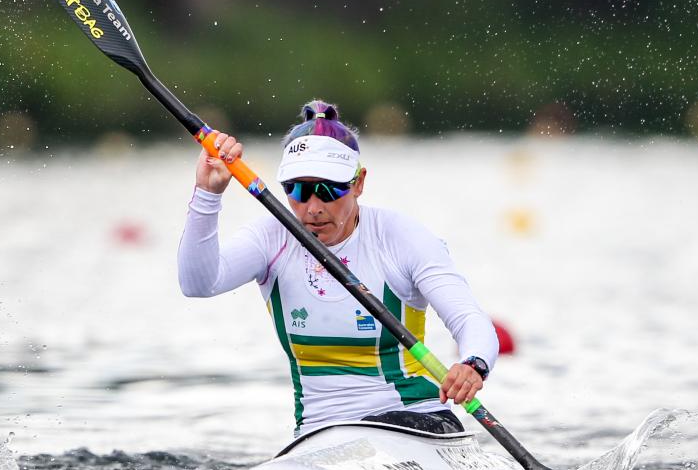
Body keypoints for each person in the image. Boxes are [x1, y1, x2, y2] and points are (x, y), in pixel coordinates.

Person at [178, 100, 498, 436]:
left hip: (417, 421)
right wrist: (208, 194)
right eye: (298, 190)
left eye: (327, 190)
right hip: (319, 433)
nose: (313, 208)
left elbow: (468, 318)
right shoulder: (271, 238)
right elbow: (198, 283)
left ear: (358, 182)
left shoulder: (400, 237)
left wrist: (472, 364)